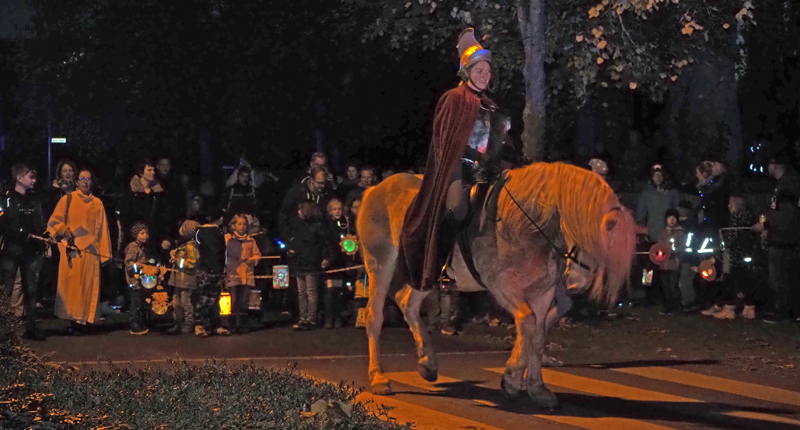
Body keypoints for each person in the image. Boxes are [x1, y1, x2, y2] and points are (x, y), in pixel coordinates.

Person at [398, 28, 499, 290]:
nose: (485, 76)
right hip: (458, 168)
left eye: (488, 72)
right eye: (479, 71)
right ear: (467, 72)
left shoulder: (490, 105)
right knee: (458, 211)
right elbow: (445, 141)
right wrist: (474, 158)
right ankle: (444, 266)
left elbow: (496, 143)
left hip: (484, 170)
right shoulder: (453, 98)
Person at [47, 167, 112, 334]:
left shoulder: (97, 203)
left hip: (91, 252)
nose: (85, 182)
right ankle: (75, 322)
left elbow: (103, 229)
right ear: (76, 182)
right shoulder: (67, 200)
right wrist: (64, 230)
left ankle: (88, 321)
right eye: (82, 179)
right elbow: (54, 222)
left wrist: (105, 254)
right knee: (73, 289)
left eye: (88, 179)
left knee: (89, 287)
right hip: (72, 252)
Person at [0, 162, 47, 340]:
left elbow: (40, 223)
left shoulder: (34, 200)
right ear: (19, 178)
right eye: (30, 177)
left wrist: (43, 236)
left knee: (31, 290)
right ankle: (4, 328)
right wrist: (21, 234)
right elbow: (3, 224)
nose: (34, 180)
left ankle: (31, 327)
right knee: (6, 290)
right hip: (12, 250)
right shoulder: (6, 199)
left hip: (31, 250)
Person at [752, 150, 800, 322]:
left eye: (769, 164)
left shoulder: (787, 185)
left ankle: (784, 312)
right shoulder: (782, 184)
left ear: (776, 165)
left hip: (784, 239)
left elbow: (786, 214)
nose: (767, 167)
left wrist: (765, 225)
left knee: (781, 277)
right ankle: (787, 310)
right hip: (781, 237)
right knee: (783, 276)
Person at [287, 200, 331, 330]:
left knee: (311, 292)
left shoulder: (318, 226)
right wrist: (291, 249)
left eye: (301, 209)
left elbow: (325, 244)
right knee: (302, 292)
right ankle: (303, 317)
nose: (299, 212)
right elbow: (294, 241)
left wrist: (326, 257)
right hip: (300, 262)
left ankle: (311, 319)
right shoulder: (298, 225)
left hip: (311, 262)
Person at [713, 194, 758, 320]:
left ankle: (730, 308)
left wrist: (725, 244)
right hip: (744, 254)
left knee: (730, 280)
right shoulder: (749, 217)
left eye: (731, 204)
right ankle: (749, 307)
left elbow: (732, 237)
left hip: (735, 255)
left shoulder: (737, 218)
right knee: (743, 281)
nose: (729, 206)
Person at [120, 159, 171, 252]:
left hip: (154, 240)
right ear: (141, 173)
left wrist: (165, 237)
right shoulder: (131, 193)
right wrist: (136, 232)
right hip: (134, 240)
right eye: (149, 170)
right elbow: (125, 216)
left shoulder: (158, 193)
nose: (153, 173)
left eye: (154, 170)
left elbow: (163, 217)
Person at [322, 197, 356, 329]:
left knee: (342, 291)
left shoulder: (346, 223)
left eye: (339, 209)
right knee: (330, 291)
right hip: (331, 262)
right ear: (329, 211)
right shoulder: (326, 224)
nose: (337, 212)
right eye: (334, 209)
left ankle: (339, 317)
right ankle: (329, 318)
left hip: (343, 261)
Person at [224, 214, 261, 334]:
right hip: (233, 274)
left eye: (244, 224)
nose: (242, 227)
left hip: (246, 275)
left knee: (244, 301)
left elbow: (257, 254)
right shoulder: (228, 238)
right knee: (233, 301)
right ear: (233, 225)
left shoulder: (251, 240)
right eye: (239, 224)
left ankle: (244, 324)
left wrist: (252, 260)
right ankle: (232, 324)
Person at [194, 214, 229, 337]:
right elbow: (221, 252)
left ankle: (213, 325)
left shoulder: (206, 232)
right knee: (206, 298)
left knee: (213, 298)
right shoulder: (203, 231)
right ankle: (201, 325)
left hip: (214, 270)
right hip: (208, 270)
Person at [124, 222, 160, 335]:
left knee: (144, 301)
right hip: (135, 280)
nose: (145, 235)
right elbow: (128, 263)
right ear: (136, 235)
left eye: (146, 233)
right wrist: (140, 266)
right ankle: (134, 324)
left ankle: (143, 321)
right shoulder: (133, 247)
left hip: (144, 279)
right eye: (142, 233)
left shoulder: (145, 248)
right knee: (136, 302)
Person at [165, 220, 200, 335]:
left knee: (186, 302)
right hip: (178, 279)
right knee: (176, 301)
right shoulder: (183, 245)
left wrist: (178, 261)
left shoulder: (191, 247)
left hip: (186, 279)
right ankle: (177, 322)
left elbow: (192, 263)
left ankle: (188, 322)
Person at [278, 166, 329, 241]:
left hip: (316, 237)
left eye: (324, 183)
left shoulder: (325, 194)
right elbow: (283, 213)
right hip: (296, 235)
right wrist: (288, 236)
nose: (322, 186)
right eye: (319, 183)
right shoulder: (296, 192)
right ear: (311, 180)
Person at [636, 164, 681, 242]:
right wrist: (643, 232)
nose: (658, 177)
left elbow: (677, 212)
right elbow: (641, 215)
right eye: (655, 175)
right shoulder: (646, 194)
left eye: (660, 175)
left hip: (669, 235)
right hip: (651, 235)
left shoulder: (672, 193)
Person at [656, 209, 687, 315]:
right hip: (663, 264)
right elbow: (659, 246)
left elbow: (682, 247)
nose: (672, 220)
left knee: (673, 285)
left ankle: (677, 307)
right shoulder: (663, 233)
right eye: (669, 218)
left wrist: (672, 252)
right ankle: (667, 307)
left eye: (674, 218)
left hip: (674, 264)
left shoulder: (680, 233)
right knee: (665, 286)